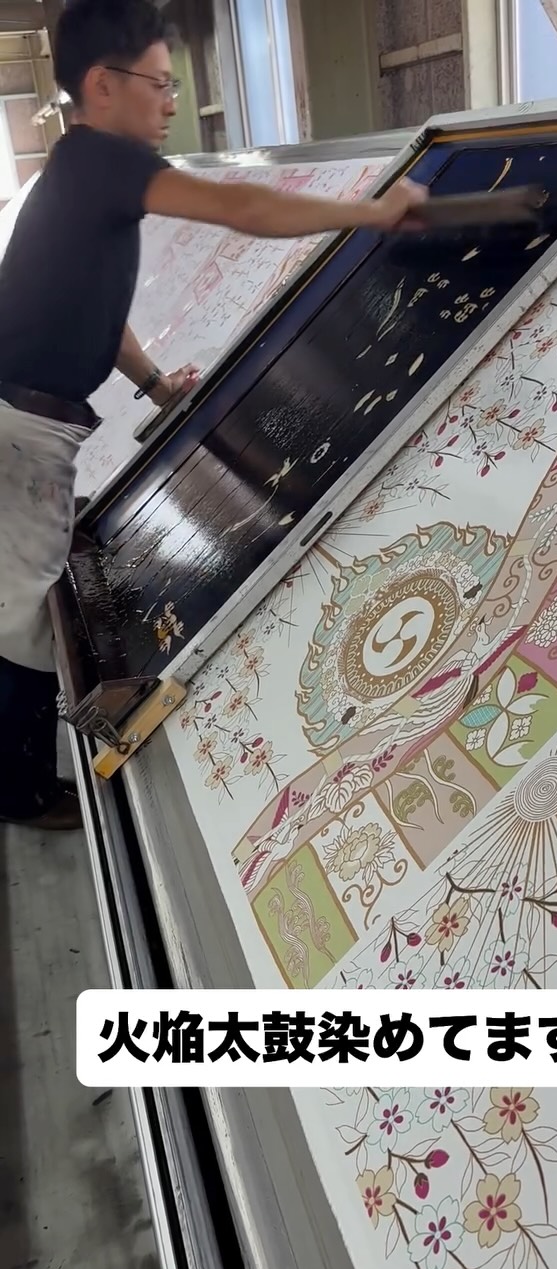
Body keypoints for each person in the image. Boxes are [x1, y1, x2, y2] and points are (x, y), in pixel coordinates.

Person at [0, 0, 426, 832]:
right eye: (159, 84)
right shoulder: (104, 161)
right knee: (19, 619)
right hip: (22, 432)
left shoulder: (73, 175)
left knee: (16, 602)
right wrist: (375, 212)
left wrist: (157, 386)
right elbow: (243, 210)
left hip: (21, 422)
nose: (170, 103)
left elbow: (94, 311)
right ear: (103, 85)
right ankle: (17, 791)